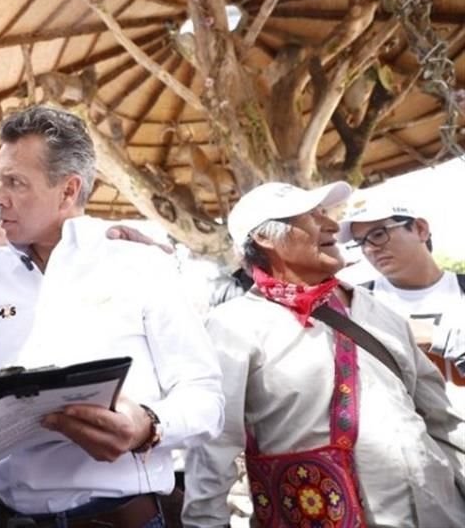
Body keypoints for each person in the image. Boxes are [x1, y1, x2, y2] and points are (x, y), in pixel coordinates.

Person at [0, 105, 224, 528]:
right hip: (8, 519)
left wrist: (147, 427)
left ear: (67, 189)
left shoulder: (138, 264)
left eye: (15, 182)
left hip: (119, 518)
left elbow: (206, 399)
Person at [183, 182, 465, 527]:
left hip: (440, 512)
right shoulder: (235, 327)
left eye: (326, 214)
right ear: (266, 239)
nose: (331, 225)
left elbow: (443, 418)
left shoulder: (377, 310)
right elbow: (213, 450)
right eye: (313, 217)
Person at [339, 193, 465, 405]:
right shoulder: (357, 304)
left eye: (378, 234)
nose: (370, 249)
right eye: (360, 242)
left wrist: (440, 338)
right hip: (415, 434)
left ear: (420, 229)